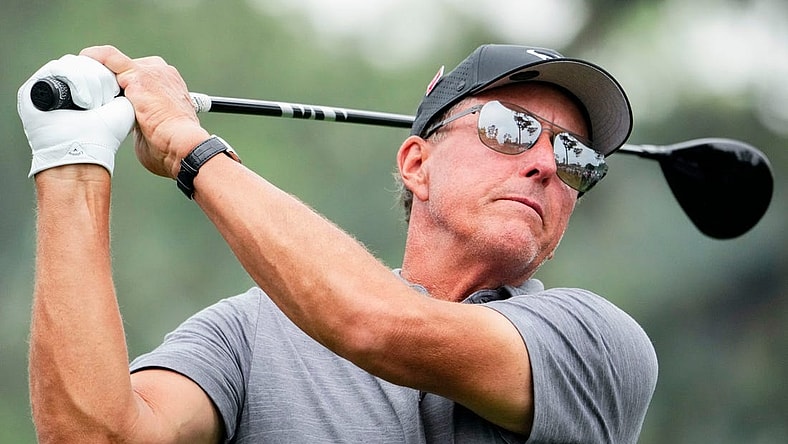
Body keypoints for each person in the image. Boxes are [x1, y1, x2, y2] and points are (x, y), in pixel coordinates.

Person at [19, 44, 658, 443]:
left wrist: (191, 147)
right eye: (511, 128)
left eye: (576, 155)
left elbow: (377, 324)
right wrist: (70, 159)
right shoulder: (247, 334)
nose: (546, 164)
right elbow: (93, 437)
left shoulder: (599, 343)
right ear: (416, 164)